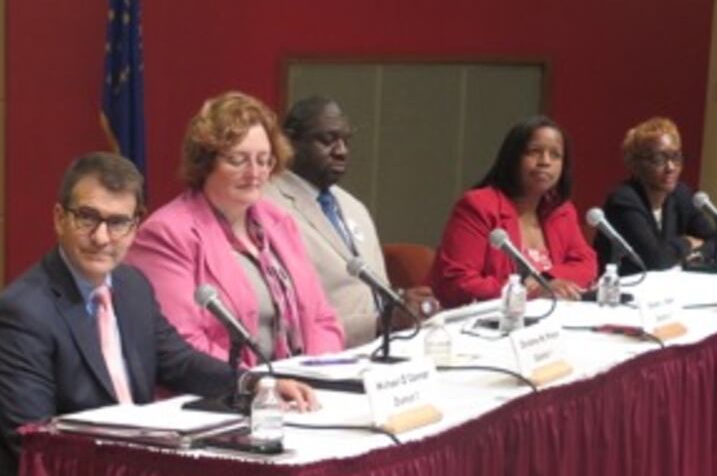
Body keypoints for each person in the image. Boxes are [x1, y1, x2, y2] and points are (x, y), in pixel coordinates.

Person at [0, 152, 316, 476]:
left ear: (136, 225)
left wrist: (254, 384)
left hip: (133, 472)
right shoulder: (21, 314)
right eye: (87, 217)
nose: (102, 237)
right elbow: (35, 443)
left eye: (118, 222)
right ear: (59, 218)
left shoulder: (132, 285)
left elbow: (178, 362)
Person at [125, 91, 345, 362]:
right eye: (238, 160)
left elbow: (322, 318)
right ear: (206, 161)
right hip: (220, 395)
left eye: (264, 160)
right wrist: (262, 384)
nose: (255, 173)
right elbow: (182, 343)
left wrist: (316, 374)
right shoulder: (167, 235)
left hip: (298, 390)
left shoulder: (279, 222)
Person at [263, 96, 437, 347]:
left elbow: (373, 291)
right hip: (325, 356)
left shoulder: (354, 207)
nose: (341, 151)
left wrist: (404, 306)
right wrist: (379, 323)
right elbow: (289, 316)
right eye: (327, 140)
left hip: (386, 348)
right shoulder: (268, 207)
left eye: (345, 140)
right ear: (290, 141)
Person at [430, 115, 597, 306]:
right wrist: (528, 292)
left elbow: (586, 263)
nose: (545, 161)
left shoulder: (560, 210)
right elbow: (456, 282)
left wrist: (546, 280)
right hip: (487, 323)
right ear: (513, 158)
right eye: (534, 152)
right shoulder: (478, 206)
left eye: (555, 155)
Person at [595, 116, 717, 274]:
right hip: (624, 291)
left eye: (675, 157)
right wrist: (688, 242)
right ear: (636, 164)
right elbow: (656, 259)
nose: (671, 167)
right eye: (658, 159)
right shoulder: (623, 200)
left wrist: (693, 255)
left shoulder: (681, 194)